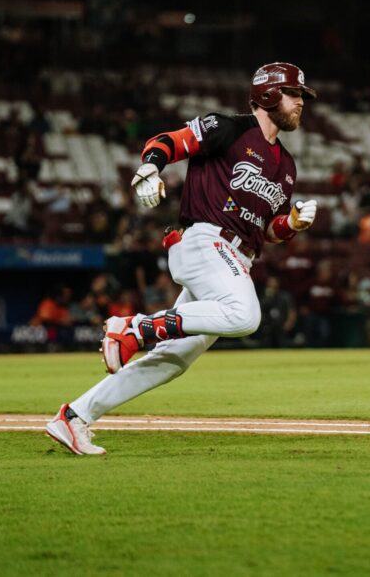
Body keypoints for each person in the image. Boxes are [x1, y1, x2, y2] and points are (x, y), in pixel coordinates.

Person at [46, 62, 319, 455]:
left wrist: (291, 223)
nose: (300, 102)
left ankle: (73, 418)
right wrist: (150, 168)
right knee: (245, 315)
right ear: (269, 94)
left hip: (236, 258)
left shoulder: (287, 166)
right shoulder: (229, 128)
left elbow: (267, 231)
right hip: (206, 241)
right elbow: (169, 141)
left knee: (173, 358)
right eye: (294, 94)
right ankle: (134, 328)